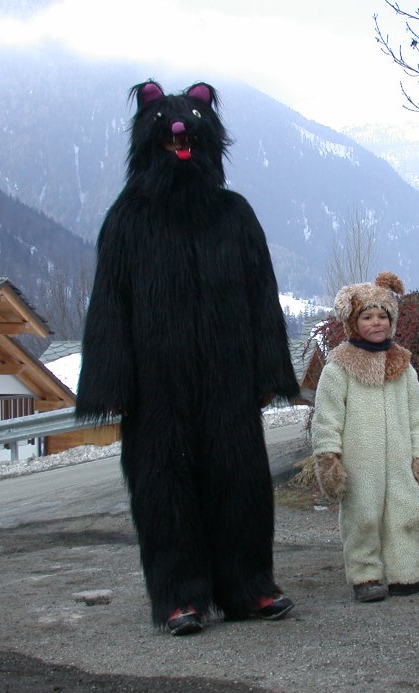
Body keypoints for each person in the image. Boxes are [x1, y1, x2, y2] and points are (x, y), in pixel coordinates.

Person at [77, 81, 299, 636]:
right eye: (170, 133)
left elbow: (261, 299)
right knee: (164, 492)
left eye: (192, 133)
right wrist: (112, 386)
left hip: (228, 384)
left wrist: (269, 373)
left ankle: (248, 587)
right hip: (157, 390)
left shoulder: (235, 215)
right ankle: (180, 597)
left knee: (240, 484)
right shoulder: (127, 220)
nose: (180, 140)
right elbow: (108, 308)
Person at [311, 272, 419, 603]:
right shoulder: (338, 367)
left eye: (383, 316)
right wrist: (329, 457)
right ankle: (365, 575)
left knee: (409, 511)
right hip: (359, 461)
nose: (377, 323)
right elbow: (327, 417)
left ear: (392, 320)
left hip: (399, 459)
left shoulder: (403, 365)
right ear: (353, 323)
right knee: (362, 516)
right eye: (367, 317)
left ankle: (407, 573)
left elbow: (417, 415)